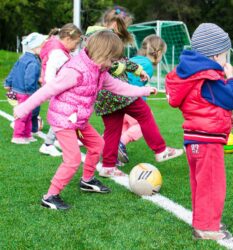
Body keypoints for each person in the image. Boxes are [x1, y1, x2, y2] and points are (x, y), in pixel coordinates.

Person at [13, 30, 157, 210]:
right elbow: (47, 90)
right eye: (113, 60)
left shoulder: (100, 70)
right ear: (102, 54)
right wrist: (23, 108)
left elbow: (118, 87)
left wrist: (144, 90)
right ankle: (50, 196)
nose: (115, 64)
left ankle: (87, 180)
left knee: (98, 145)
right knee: (72, 159)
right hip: (63, 120)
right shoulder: (75, 71)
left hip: (78, 120)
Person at [165, 23, 233, 240]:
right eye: (225, 55)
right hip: (207, 142)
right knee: (211, 184)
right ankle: (206, 227)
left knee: (201, 184)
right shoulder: (208, 77)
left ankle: (204, 220)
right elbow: (232, 98)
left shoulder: (192, 75)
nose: (226, 61)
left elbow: (204, 105)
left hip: (194, 139)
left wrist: (226, 119)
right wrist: (232, 78)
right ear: (215, 55)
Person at [90, 7, 183, 178]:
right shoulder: (109, 39)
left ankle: (107, 166)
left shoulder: (95, 38)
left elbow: (121, 61)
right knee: (144, 114)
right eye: (125, 26)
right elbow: (116, 64)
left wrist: (137, 69)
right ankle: (161, 150)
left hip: (103, 95)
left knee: (113, 129)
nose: (126, 30)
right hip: (118, 91)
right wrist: (137, 77)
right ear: (116, 25)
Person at [118, 34, 167, 164]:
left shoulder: (136, 59)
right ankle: (120, 143)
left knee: (122, 126)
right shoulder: (148, 66)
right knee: (143, 124)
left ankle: (108, 147)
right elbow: (133, 84)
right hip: (129, 100)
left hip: (117, 99)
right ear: (159, 52)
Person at [38, 23, 83, 157]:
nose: (76, 47)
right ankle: (47, 144)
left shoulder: (60, 50)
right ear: (68, 39)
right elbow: (50, 72)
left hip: (58, 89)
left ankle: (58, 140)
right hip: (57, 90)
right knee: (62, 116)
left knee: (67, 115)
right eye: (76, 43)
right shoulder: (58, 52)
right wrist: (52, 89)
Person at [4, 32, 47, 144]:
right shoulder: (33, 62)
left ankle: (27, 135)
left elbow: (13, 70)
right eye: (43, 47)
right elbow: (29, 79)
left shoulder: (23, 57)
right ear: (36, 47)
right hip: (26, 92)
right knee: (24, 115)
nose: (44, 49)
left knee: (28, 114)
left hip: (19, 90)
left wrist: (8, 83)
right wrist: (33, 94)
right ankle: (18, 136)